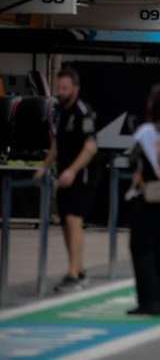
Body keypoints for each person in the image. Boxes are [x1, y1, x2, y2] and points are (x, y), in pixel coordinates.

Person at [36, 69, 97, 292]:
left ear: (75, 88)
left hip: (82, 175)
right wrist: (44, 167)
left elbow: (91, 147)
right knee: (65, 224)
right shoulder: (59, 111)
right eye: (58, 88)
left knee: (74, 220)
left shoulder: (83, 111)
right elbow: (56, 145)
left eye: (64, 88)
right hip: (63, 176)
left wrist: (72, 171)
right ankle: (79, 270)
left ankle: (73, 274)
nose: (60, 92)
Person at [127, 84, 160, 316]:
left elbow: (134, 164)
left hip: (147, 194)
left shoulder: (144, 132)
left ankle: (148, 301)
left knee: (141, 248)